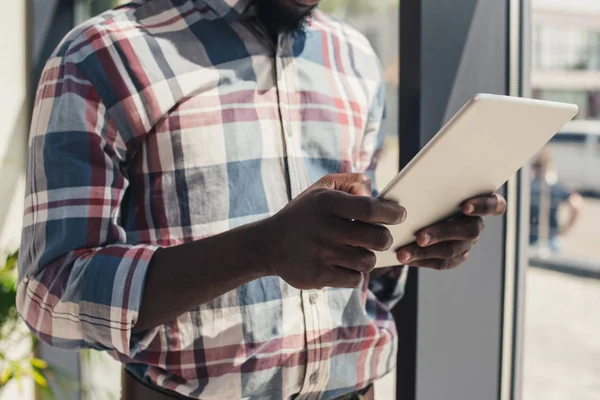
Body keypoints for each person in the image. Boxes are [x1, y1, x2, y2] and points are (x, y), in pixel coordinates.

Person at [17, 0, 507, 399]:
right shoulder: (103, 53)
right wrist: (261, 250)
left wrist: (408, 242)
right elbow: (51, 296)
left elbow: (338, 266)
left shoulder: (355, 56)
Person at [529, 147, 583, 253]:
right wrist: (564, 231)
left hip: (530, 238)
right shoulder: (555, 188)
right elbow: (577, 205)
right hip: (551, 239)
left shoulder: (528, 188)